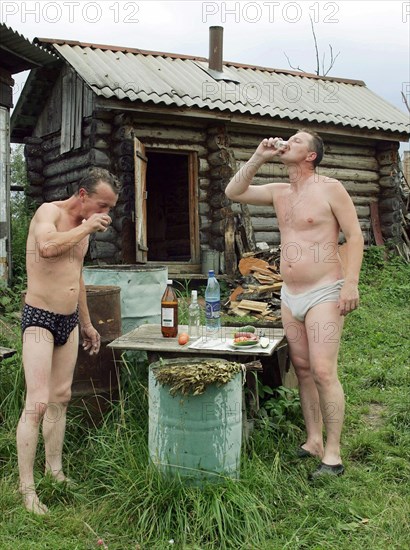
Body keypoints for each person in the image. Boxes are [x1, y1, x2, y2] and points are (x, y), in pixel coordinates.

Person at [225, 130, 364, 479]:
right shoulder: (280, 193)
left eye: (297, 141)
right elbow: (233, 191)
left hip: (325, 291)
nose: (287, 142)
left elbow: (356, 235)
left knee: (322, 370)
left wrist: (351, 283)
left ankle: (333, 454)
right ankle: (313, 440)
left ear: (311, 156)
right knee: (301, 369)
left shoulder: (330, 188)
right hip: (290, 293)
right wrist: (258, 156)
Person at [17, 168, 120, 514]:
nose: (105, 213)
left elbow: (76, 275)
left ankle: (55, 471)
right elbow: (46, 248)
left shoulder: (84, 231)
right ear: (82, 195)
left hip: (69, 320)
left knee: (61, 397)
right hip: (39, 319)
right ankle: (27, 489)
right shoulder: (50, 212)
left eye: (110, 208)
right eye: (102, 204)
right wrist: (87, 227)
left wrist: (88, 324)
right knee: (38, 402)